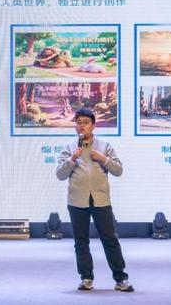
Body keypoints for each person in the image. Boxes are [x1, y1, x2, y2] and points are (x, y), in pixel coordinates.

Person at [56, 108, 134, 292]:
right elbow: (60, 174)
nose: (81, 126)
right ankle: (86, 278)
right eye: (78, 122)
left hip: (100, 200)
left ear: (93, 125)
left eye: (85, 122)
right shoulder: (69, 148)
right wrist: (72, 159)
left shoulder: (104, 146)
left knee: (110, 239)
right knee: (81, 241)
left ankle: (121, 279)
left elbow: (118, 170)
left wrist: (103, 158)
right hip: (77, 201)